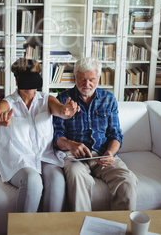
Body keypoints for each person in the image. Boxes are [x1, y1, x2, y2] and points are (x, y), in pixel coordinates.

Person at [0, 58, 80, 213]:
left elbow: (60, 110)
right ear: (17, 81)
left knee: (58, 180)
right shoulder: (9, 102)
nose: (30, 87)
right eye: (26, 81)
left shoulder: (47, 99)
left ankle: (51, 229)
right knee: (33, 180)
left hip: (45, 157)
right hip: (17, 160)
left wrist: (66, 112)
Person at [53, 57, 138, 212]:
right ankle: (83, 225)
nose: (87, 85)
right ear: (75, 78)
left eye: (91, 80)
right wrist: (69, 144)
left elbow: (116, 134)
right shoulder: (63, 100)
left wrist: (110, 153)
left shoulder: (109, 99)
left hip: (103, 155)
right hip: (74, 157)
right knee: (77, 178)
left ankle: (122, 226)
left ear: (98, 78)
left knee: (128, 180)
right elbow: (57, 135)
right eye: (82, 80)